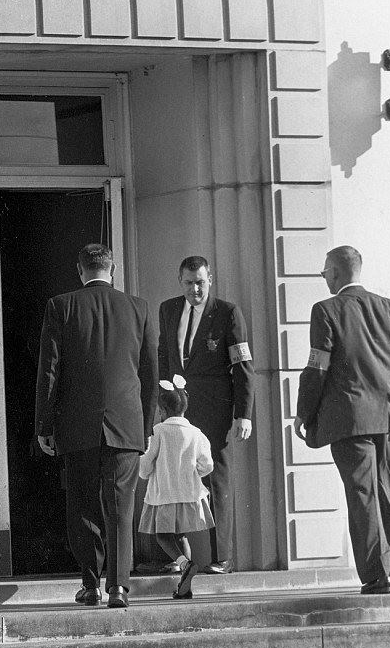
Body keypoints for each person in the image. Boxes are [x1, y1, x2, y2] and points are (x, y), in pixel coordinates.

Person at [35, 243, 158, 608]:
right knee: (121, 506)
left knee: (83, 505)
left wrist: (44, 424)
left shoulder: (61, 306)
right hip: (126, 424)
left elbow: (49, 371)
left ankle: (90, 584)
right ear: (112, 269)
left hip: (76, 424)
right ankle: (119, 587)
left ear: (80, 270)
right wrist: (146, 425)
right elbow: (151, 372)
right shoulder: (139, 308)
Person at [294, 245, 390, 595]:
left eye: (324, 273)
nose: (324, 279)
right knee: (384, 488)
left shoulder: (325, 310)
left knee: (361, 493)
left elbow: (317, 367)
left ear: (334, 273)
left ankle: (378, 574)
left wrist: (304, 412)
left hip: (350, 418)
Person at [158, 256, 255, 574]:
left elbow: (242, 366)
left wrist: (244, 413)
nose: (194, 289)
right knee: (176, 480)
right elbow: (163, 356)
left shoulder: (227, 313)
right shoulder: (169, 309)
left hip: (215, 410)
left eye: (200, 282)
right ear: (180, 281)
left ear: (210, 279)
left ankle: (221, 557)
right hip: (178, 411)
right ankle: (179, 558)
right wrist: (162, 401)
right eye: (188, 282)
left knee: (215, 480)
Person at [139, 375, 214, 599]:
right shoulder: (196, 433)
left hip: (164, 495)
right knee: (181, 537)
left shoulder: (158, 432)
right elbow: (207, 464)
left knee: (163, 537)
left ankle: (184, 564)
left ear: (162, 410)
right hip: (188, 495)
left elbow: (146, 464)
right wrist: (193, 474)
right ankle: (185, 586)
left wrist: (145, 473)